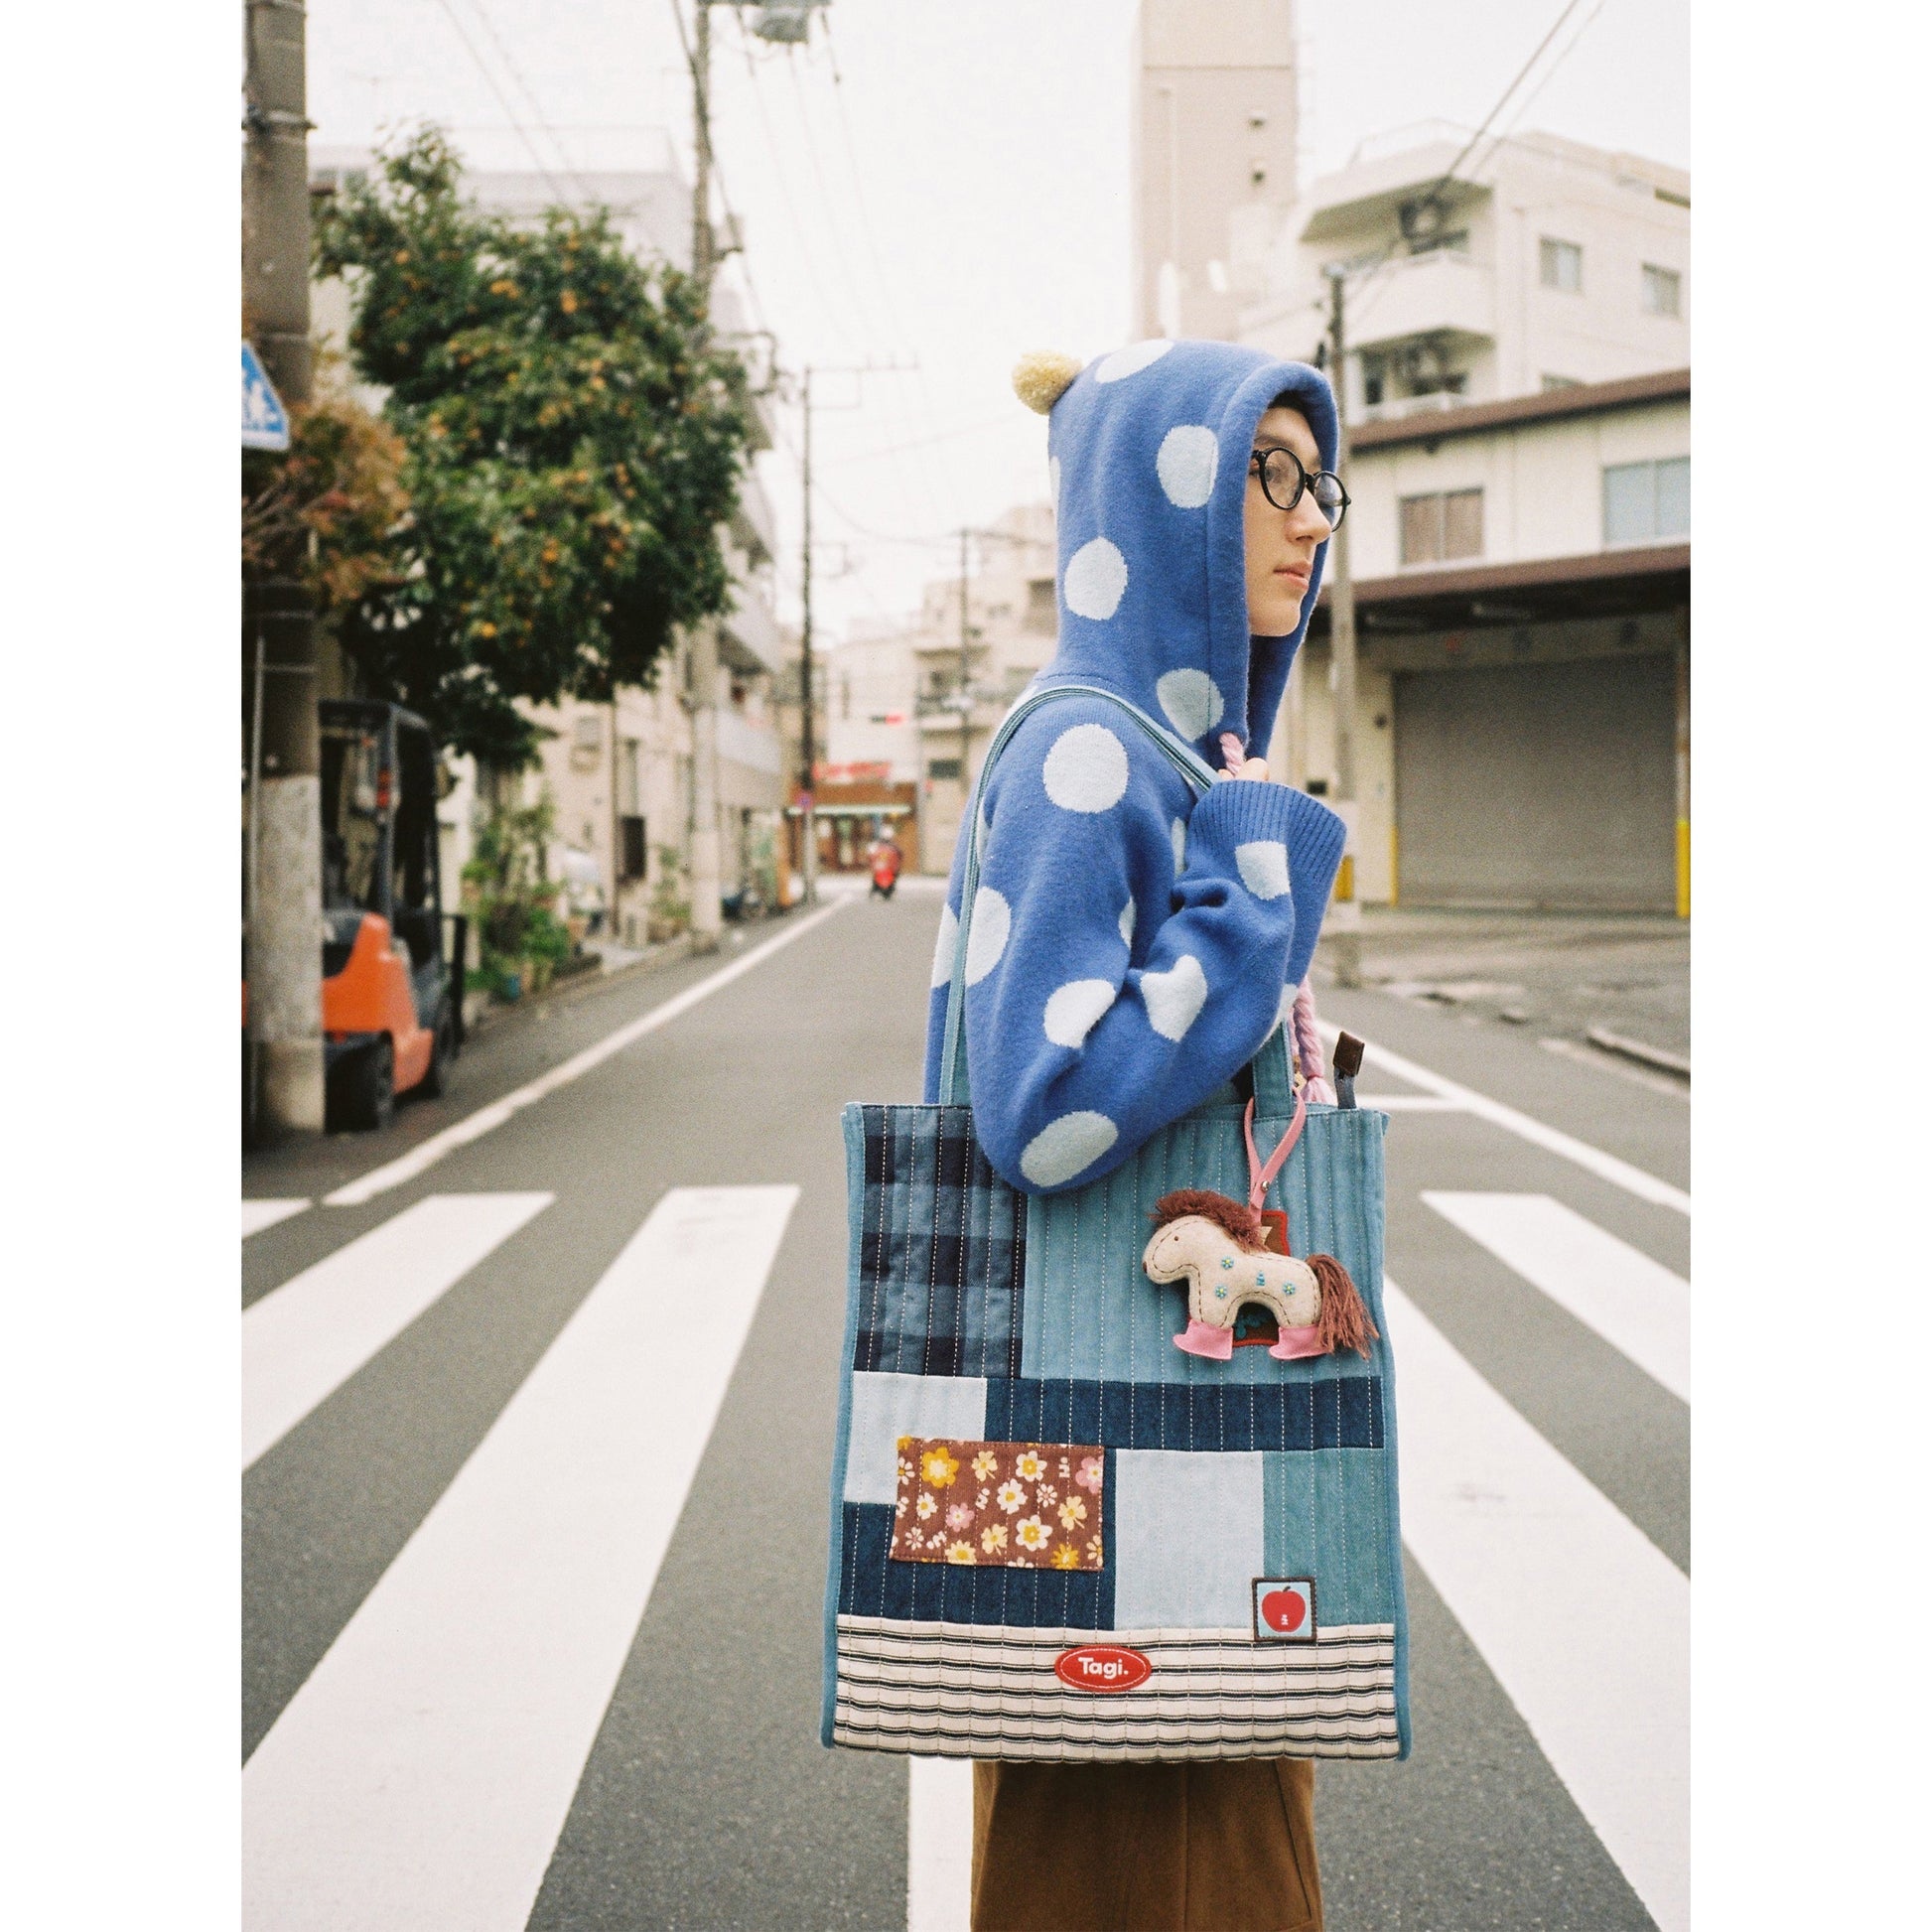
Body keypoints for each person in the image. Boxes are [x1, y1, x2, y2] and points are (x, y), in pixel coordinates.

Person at [925, 340, 1349, 1932]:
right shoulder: (1084, 747)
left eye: (1320, 482)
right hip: (1098, 1433)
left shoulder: (1164, 752)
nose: (1307, 519)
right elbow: (1038, 1114)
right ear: (1157, 496)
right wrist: (1245, 894)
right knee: (1144, 1839)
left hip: (1124, 1424)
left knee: (1191, 1805)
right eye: (1264, 472)